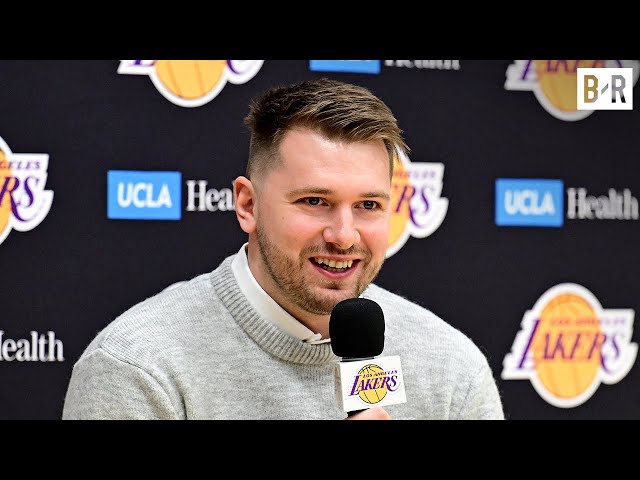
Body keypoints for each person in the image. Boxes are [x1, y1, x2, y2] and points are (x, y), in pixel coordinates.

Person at [62, 78, 504, 420]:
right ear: (248, 205)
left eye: (368, 205)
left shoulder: (452, 370)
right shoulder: (138, 368)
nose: (344, 235)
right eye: (315, 201)